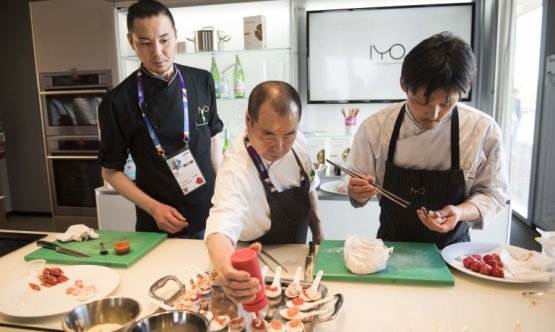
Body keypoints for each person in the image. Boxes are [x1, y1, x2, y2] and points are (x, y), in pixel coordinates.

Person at [347, 32, 510, 249]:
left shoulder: (482, 130)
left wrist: (459, 212)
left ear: (461, 94)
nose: (433, 115)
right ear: (404, 85)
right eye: (422, 101)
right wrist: (357, 192)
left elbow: (493, 194)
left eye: (446, 104)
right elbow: (357, 195)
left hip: (454, 252)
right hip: (391, 250)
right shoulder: (375, 128)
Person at [98, 0, 223, 239]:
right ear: (131, 41)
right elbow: (110, 171)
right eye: (145, 43)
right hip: (159, 224)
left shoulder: (201, 81)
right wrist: (154, 209)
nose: (157, 52)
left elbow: (214, 140)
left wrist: (226, 195)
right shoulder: (117, 102)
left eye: (165, 40)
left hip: (210, 215)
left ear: (176, 36)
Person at [204, 81, 323, 303]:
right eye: (268, 134)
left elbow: (310, 186)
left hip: (297, 254)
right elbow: (221, 224)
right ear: (249, 120)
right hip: (256, 264)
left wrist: (318, 233)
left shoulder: (300, 142)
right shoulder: (236, 167)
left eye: (288, 134)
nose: (278, 146)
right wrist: (226, 270)